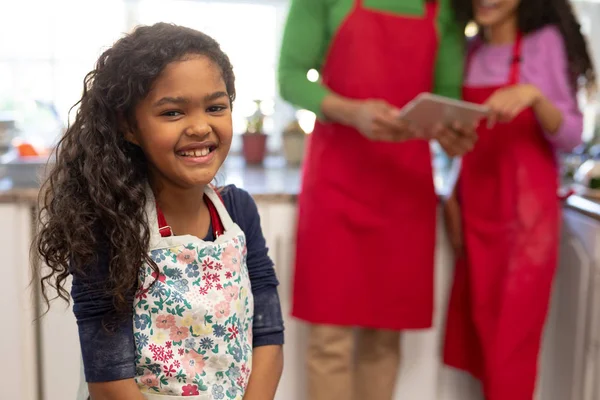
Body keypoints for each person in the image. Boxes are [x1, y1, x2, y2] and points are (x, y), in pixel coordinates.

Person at [36, 23, 284, 400]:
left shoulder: (238, 211)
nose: (201, 126)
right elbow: (108, 381)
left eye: (216, 107)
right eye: (172, 113)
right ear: (129, 127)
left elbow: (267, 333)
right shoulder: (111, 225)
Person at [278, 0, 478, 399]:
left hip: (404, 189)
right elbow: (290, 77)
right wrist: (351, 112)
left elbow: (447, 97)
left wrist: (452, 131)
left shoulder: (444, 11)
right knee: (328, 339)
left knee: (384, 339)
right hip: (336, 181)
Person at [442, 0, 596, 399]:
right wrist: (451, 192)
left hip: (527, 226)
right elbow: (463, 140)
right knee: (480, 345)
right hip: (475, 220)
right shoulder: (470, 50)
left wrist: (534, 96)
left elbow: (572, 134)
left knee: (511, 351)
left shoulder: (544, 43)